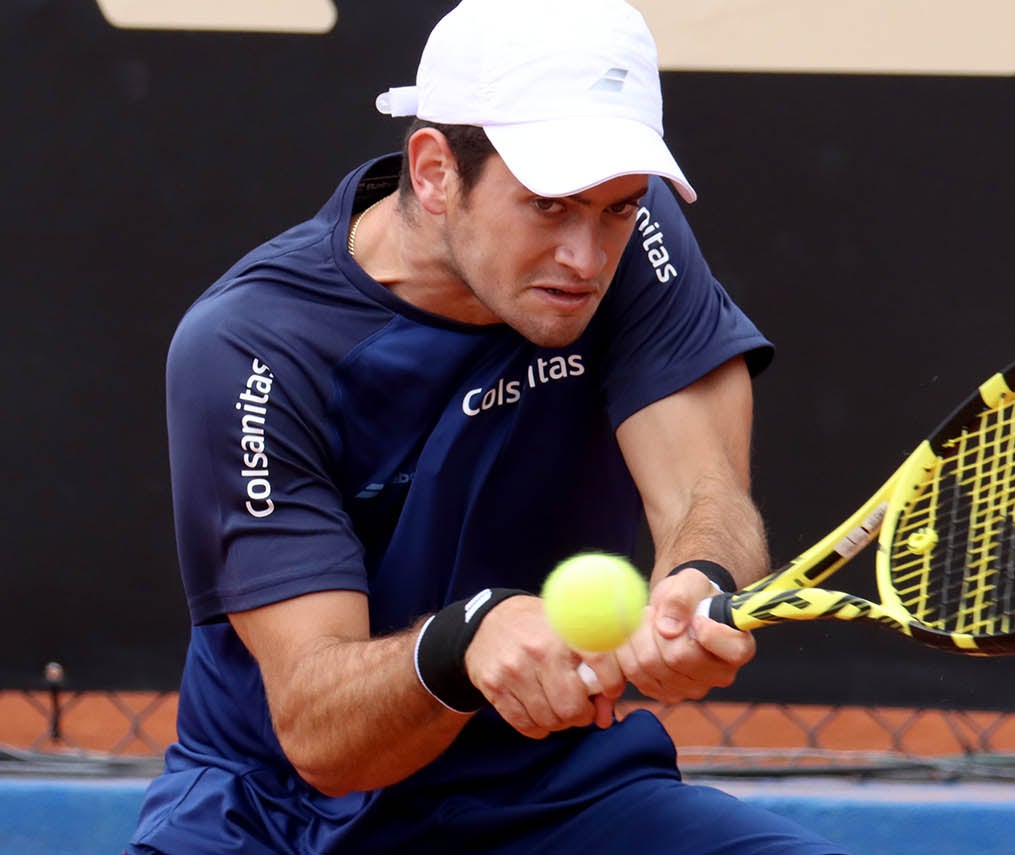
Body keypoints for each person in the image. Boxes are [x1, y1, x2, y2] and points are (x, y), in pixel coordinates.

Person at [128, 1, 843, 853]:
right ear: (432, 171)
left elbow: (706, 493)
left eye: (616, 207)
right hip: (280, 823)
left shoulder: (636, 240)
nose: (585, 256)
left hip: (556, 799)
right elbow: (320, 734)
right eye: (547, 205)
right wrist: (461, 642)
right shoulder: (250, 347)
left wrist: (697, 579)